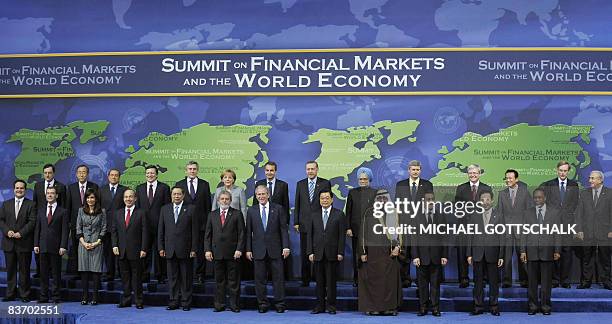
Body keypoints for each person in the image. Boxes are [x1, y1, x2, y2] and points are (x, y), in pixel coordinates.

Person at [246, 185, 290, 313]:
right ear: (256, 196)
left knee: (278, 279)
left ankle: (280, 304)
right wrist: (248, 249)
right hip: (258, 249)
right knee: (259, 279)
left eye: (263, 194)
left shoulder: (278, 208)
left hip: (275, 249)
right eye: (258, 194)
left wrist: (286, 246)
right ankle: (262, 304)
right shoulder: (251, 210)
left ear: (268, 194)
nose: (261, 196)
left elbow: (283, 229)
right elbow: (248, 232)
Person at [358, 189, 402, 316]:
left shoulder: (394, 213)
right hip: (372, 254)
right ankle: (374, 307)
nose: (382, 201)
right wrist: (362, 252)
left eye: (385, 198)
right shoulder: (368, 213)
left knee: (389, 282)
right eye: (380, 198)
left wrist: (398, 247)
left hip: (390, 254)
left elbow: (400, 232)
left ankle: (389, 308)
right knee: (374, 282)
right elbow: (362, 234)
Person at [520, 188, 562, 315]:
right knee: (532, 283)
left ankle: (545, 307)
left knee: (546, 283)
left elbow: (558, 233)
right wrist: (522, 251)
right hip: (531, 252)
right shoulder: (527, 213)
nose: (537, 200)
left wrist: (557, 250)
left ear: (545, 198)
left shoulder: (554, 212)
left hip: (548, 252)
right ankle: (532, 307)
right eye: (535, 197)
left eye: (540, 197)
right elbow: (523, 234)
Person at [539, 161, 580, 288]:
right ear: (557, 170)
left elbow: (575, 205)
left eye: (565, 171)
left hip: (568, 224)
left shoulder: (574, 185)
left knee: (567, 251)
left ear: (568, 171)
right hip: (553, 224)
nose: (563, 173)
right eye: (561, 170)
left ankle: (565, 280)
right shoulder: (549, 184)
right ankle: (555, 279)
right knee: (554, 251)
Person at [158, 186, 198, 311]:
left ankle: (186, 302)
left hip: (186, 249)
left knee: (186, 278)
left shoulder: (191, 209)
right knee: (172, 278)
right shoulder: (165, 209)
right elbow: (161, 230)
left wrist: (194, 249)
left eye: (179, 194)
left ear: (183, 195)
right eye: (174, 194)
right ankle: (174, 301)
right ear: (171, 196)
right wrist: (161, 247)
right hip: (169, 249)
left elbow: (195, 232)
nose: (176, 196)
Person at [204, 190, 245, 312]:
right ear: (218, 201)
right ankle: (219, 305)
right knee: (219, 281)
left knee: (233, 282)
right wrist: (207, 250)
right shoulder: (212, 215)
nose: (224, 201)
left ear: (231, 201)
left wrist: (239, 249)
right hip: (216, 253)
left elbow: (242, 233)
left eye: (227, 199)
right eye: (222, 199)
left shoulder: (237, 214)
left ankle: (234, 305)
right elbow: (207, 235)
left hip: (233, 253)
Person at [395, 160, 434, 288]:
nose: (415, 172)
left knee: (421, 254)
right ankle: (405, 279)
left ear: (420, 171)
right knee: (404, 253)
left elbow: (430, 205)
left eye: (417, 169)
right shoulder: (400, 185)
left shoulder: (427, 185)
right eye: (413, 169)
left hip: (421, 225)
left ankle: (420, 281)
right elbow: (397, 206)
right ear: (409, 170)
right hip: (405, 224)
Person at [307, 190, 346, 315]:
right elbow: (310, 236)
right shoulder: (313, 215)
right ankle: (319, 306)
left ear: (332, 199)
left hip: (332, 253)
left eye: (327, 198)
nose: (324, 200)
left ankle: (331, 306)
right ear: (319, 200)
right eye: (322, 198)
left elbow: (341, 236)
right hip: (317, 253)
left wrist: (340, 252)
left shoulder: (339, 214)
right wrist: (310, 252)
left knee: (331, 282)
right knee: (319, 282)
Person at [294, 160, 331, 286]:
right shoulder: (300, 184)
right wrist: (296, 222)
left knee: (320, 252)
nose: (310, 171)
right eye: (308, 169)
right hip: (304, 224)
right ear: (306, 170)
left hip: (320, 225)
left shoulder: (325, 183)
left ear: (317, 169)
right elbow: (297, 204)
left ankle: (318, 278)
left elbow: (328, 203)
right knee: (305, 252)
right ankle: (305, 280)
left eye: (312, 169)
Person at [455, 164, 492, 288]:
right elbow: (457, 208)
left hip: (481, 227)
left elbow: (488, 208)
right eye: (470, 173)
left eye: (475, 173)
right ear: (468, 174)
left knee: (482, 252)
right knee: (462, 252)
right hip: (464, 226)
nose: (473, 175)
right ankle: (464, 278)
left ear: (480, 173)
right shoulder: (461, 188)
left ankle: (484, 278)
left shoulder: (487, 188)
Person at [467, 191, 504, 316]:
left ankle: (494, 306)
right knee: (477, 282)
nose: (485, 202)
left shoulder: (499, 215)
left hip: (493, 253)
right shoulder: (474, 215)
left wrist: (501, 256)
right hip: (477, 253)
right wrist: (469, 254)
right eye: (483, 199)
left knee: (494, 282)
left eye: (488, 199)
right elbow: (469, 236)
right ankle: (478, 306)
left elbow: (502, 237)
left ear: (492, 201)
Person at [253, 161, 291, 279]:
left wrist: (286, 223)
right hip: (262, 227)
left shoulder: (283, 185)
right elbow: (255, 205)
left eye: (271, 170)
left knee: (277, 258)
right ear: (264, 171)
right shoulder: (259, 184)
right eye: (267, 170)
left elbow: (286, 205)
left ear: (275, 171)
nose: (269, 172)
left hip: (277, 226)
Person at [575, 170, 612, 290]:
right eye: (590, 178)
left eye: (592, 178)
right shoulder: (584, 193)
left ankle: (607, 281)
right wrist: (579, 229)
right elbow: (579, 213)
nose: (589, 180)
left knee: (605, 258)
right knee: (587, 258)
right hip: (588, 231)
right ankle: (586, 282)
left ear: (600, 180)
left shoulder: (610, 193)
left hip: (605, 231)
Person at [175, 161, 211, 284]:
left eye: (194, 169)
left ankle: (200, 274)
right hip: (183, 225)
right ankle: (186, 275)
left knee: (200, 250)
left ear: (197, 170)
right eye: (190, 169)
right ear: (186, 170)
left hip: (201, 224)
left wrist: (207, 224)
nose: (192, 171)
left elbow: (208, 206)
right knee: (185, 250)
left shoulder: (204, 184)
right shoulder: (179, 184)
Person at [0, 179, 36, 302]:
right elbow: (1, 221)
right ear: (14, 189)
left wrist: (21, 233)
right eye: (17, 188)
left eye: (21, 188)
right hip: (8, 242)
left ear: (25, 190)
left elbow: (32, 222)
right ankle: (10, 294)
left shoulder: (31, 204)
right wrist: (7, 231)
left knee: (24, 271)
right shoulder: (6, 204)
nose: (19, 190)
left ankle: (24, 295)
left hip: (24, 242)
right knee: (10, 270)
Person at [413, 192, 448, 317]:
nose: (430, 201)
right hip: (421, 257)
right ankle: (423, 307)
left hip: (436, 256)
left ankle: (435, 308)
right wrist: (415, 256)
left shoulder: (440, 215)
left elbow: (444, 237)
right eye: (428, 199)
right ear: (423, 201)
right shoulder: (417, 216)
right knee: (422, 285)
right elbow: (414, 238)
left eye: (432, 199)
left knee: (435, 285)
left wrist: (444, 255)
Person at [112, 189, 148, 309]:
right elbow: (114, 231)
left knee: (137, 277)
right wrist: (115, 245)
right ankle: (126, 299)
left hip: (136, 251)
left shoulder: (141, 213)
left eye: (130, 197)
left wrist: (143, 248)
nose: (128, 199)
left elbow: (145, 232)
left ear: (135, 198)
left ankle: (138, 300)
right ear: (123, 199)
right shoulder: (118, 213)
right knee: (125, 278)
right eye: (126, 197)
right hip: (121, 251)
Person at [136, 165, 170, 283]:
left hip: (160, 226)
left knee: (160, 251)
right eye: (147, 173)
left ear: (156, 174)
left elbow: (167, 208)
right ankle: (145, 275)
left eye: (152, 173)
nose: (149, 175)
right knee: (144, 251)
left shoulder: (164, 188)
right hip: (144, 226)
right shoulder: (139, 188)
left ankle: (161, 276)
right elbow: (138, 208)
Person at [34, 186, 69, 303]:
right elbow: (37, 229)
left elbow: (65, 230)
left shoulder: (63, 211)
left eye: (52, 193)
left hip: (56, 247)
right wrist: (36, 244)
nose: (50, 195)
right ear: (46, 195)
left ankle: (56, 297)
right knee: (43, 274)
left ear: (56, 196)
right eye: (48, 193)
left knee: (56, 274)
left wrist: (63, 245)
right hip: (42, 246)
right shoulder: (40, 210)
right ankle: (43, 297)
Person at [498, 169, 532, 287]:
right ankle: (506, 281)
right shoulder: (502, 193)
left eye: (510, 178)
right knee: (506, 258)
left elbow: (529, 211)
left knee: (522, 256)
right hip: (506, 230)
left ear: (516, 179)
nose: (508, 180)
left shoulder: (525, 192)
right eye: (506, 178)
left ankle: (525, 280)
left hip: (521, 230)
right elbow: (500, 213)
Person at [32, 163, 66, 279]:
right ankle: (40, 271)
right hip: (41, 221)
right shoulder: (38, 186)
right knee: (40, 251)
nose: (47, 175)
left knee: (53, 256)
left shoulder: (61, 186)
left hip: (56, 221)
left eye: (50, 172)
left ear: (54, 173)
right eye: (45, 173)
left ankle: (52, 273)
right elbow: (35, 204)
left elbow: (63, 205)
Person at [345, 167, 377, 287]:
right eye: (360, 179)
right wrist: (348, 227)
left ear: (369, 179)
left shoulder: (375, 193)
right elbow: (348, 211)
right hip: (356, 230)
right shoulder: (352, 193)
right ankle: (357, 279)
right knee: (357, 255)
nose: (362, 181)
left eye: (365, 179)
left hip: (371, 231)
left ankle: (370, 278)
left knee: (371, 256)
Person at [66, 164, 99, 274]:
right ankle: (78, 272)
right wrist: (70, 224)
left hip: (91, 225)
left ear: (87, 174)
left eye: (84, 172)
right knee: (76, 249)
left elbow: (98, 205)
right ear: (76, 174)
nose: (81, 174)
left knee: (90, 248)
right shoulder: (71, 188)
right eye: (79, 172)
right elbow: (68, 207)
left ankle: (90, 272)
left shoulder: (94, 186)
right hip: (76, 225)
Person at [76, 188, 107, 305]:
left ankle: (95, 297)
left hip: (97, 244)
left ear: (96, 199)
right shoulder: (80, 211)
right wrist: (84, 243)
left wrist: (96, 242)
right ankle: (84, 296)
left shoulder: (102, 211)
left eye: (92, 197)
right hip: (83, 244)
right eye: (88, 197)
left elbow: (104, 228)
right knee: (84, 271)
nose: (90, 200)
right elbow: (78, 228)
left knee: (95, 271)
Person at [100, 168, 127, 282]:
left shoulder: (124, 190)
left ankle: (121, 273)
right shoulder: (101, 190)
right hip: (106, 225)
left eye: (116, 175)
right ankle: (109, 273)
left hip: (121, 226)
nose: (114, 177)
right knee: (108, 252)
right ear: (108, 176)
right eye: (112, 175)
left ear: (119, 177)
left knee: (121, 251)